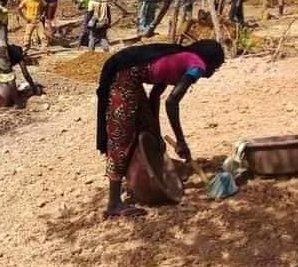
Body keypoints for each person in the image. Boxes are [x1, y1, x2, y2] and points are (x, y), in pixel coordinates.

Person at [96, 39, 225, 218]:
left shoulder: (178, 58)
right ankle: (114, 203)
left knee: (147, 129)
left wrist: (156, 133)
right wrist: (181, 141)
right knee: (121, 138)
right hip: (123, 76)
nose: (212, 72)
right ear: (211, 62)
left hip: (130, 76)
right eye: (216, 68)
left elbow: (155, 96)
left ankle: (140, 175)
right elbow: (172, 101)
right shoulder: (197, 65)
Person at [0, 37, 38, 108]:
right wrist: (33, 87)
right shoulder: (18, 54)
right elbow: (25, 74)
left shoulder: (10, 50)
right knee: (10, 77)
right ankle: (17, 103)